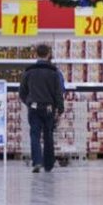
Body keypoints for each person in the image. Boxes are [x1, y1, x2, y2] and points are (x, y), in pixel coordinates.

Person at [19, 44, 65, 173]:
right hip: (49, 108)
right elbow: (58, 93)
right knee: (48, 135)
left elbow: (22, 91)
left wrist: (28, 102)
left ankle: (37, 162)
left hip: (33, 108)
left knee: (34, 134)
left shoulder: (28, 71)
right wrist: (60, 109)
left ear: (36, 54)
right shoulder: (54, 72)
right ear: (49, 54)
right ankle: (48, 164)